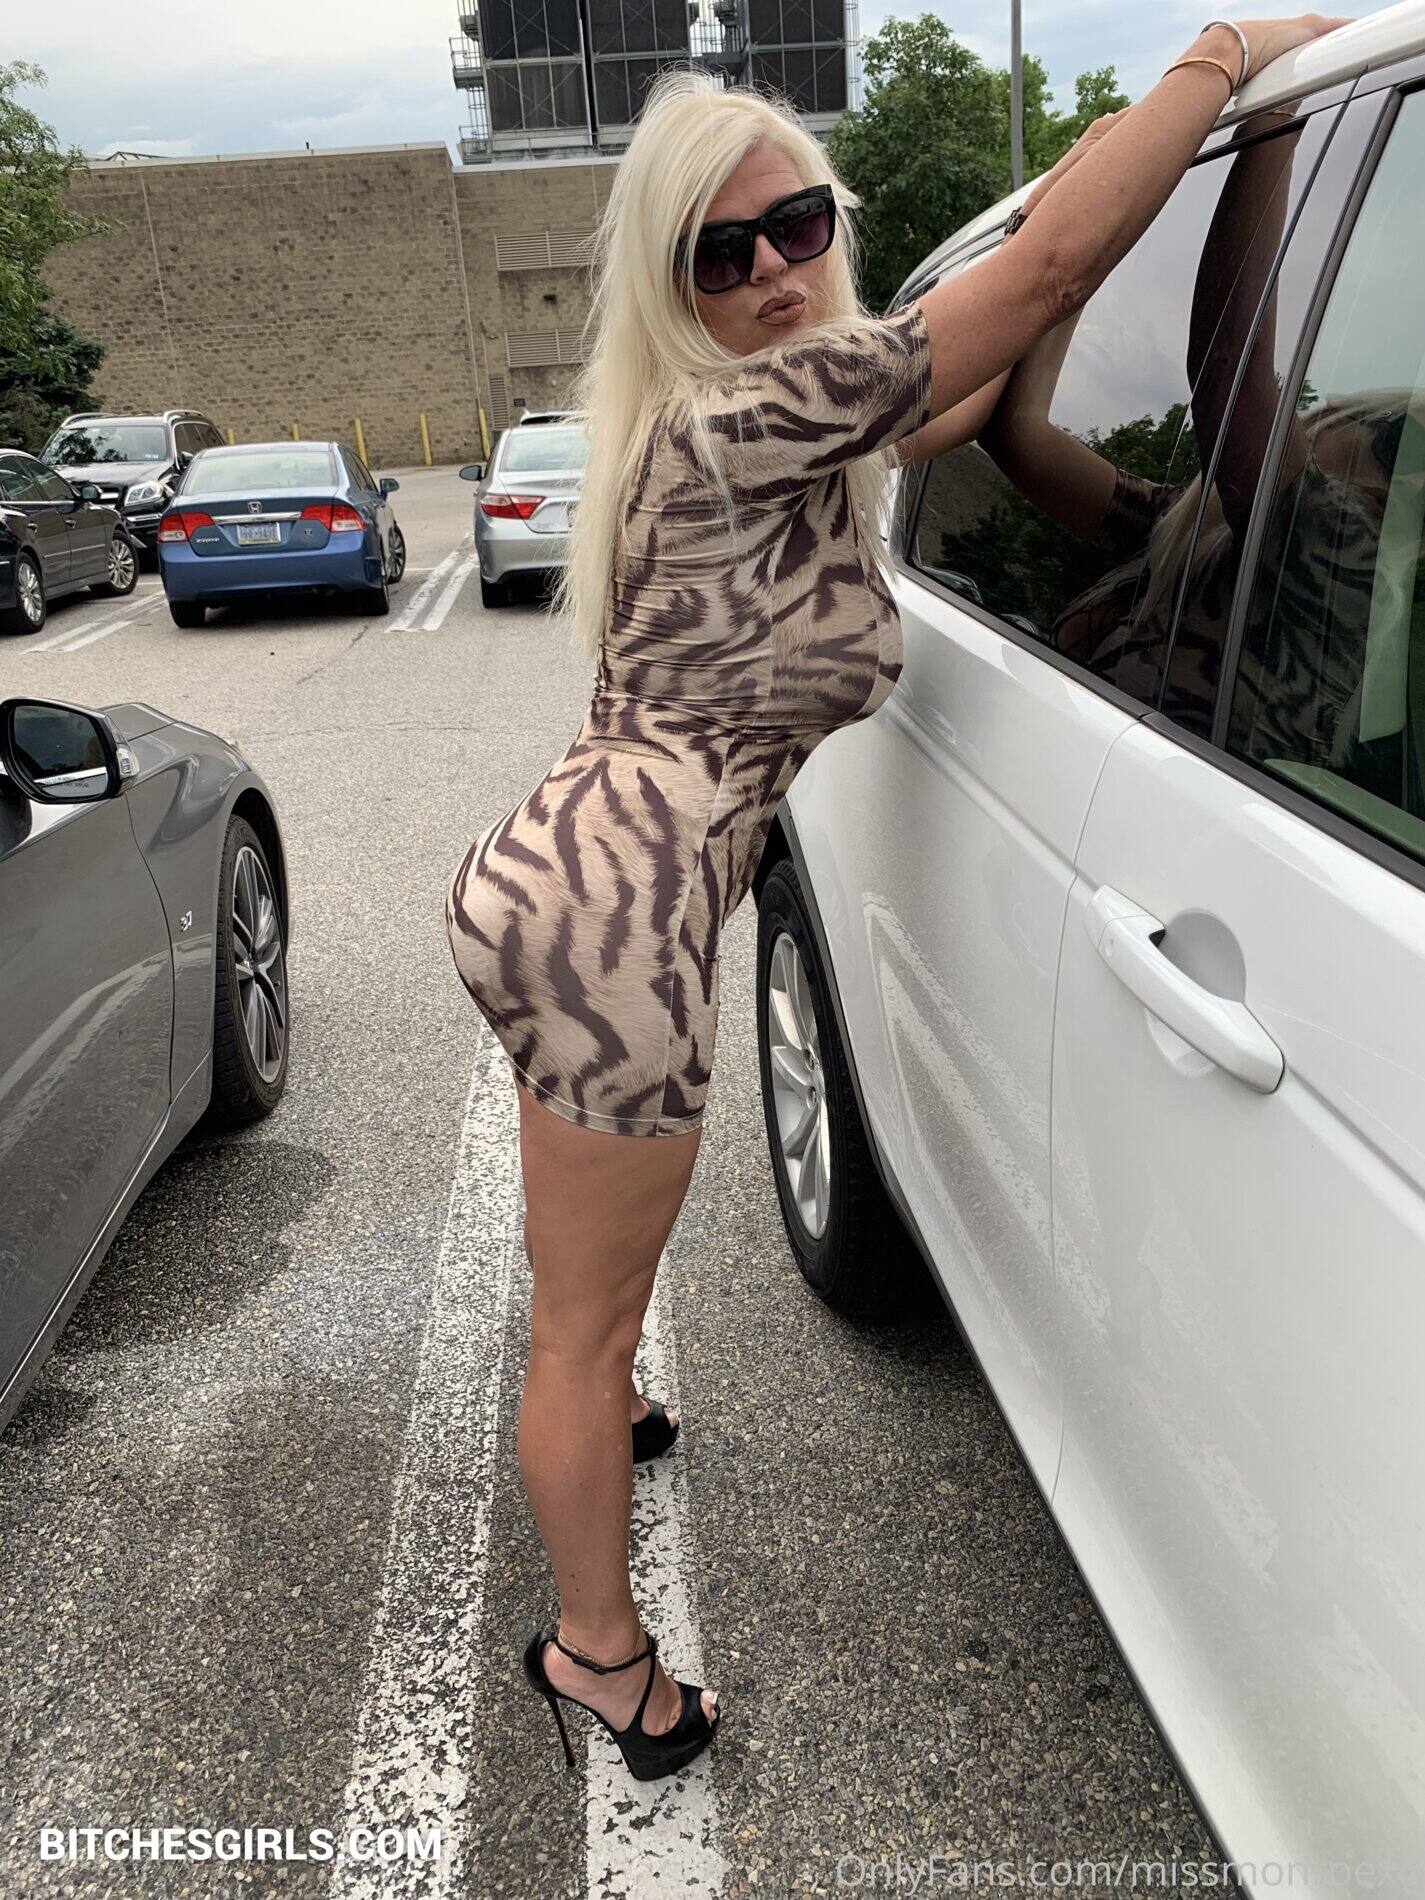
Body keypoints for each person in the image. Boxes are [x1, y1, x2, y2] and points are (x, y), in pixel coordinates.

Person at [443, 12, 1346, 1783]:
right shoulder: (743, 413)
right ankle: (594, 1657)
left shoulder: (769, 418)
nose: (774, 271)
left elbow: (991, 387)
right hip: (612, 923)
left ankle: (603, 1407)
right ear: (670, 287)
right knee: (580, 1323)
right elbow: (1046, 267)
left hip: (575, 880)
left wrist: (1109, 217)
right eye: (720, 254)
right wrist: (1223, 53)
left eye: (796, 225)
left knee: (584, 1306)